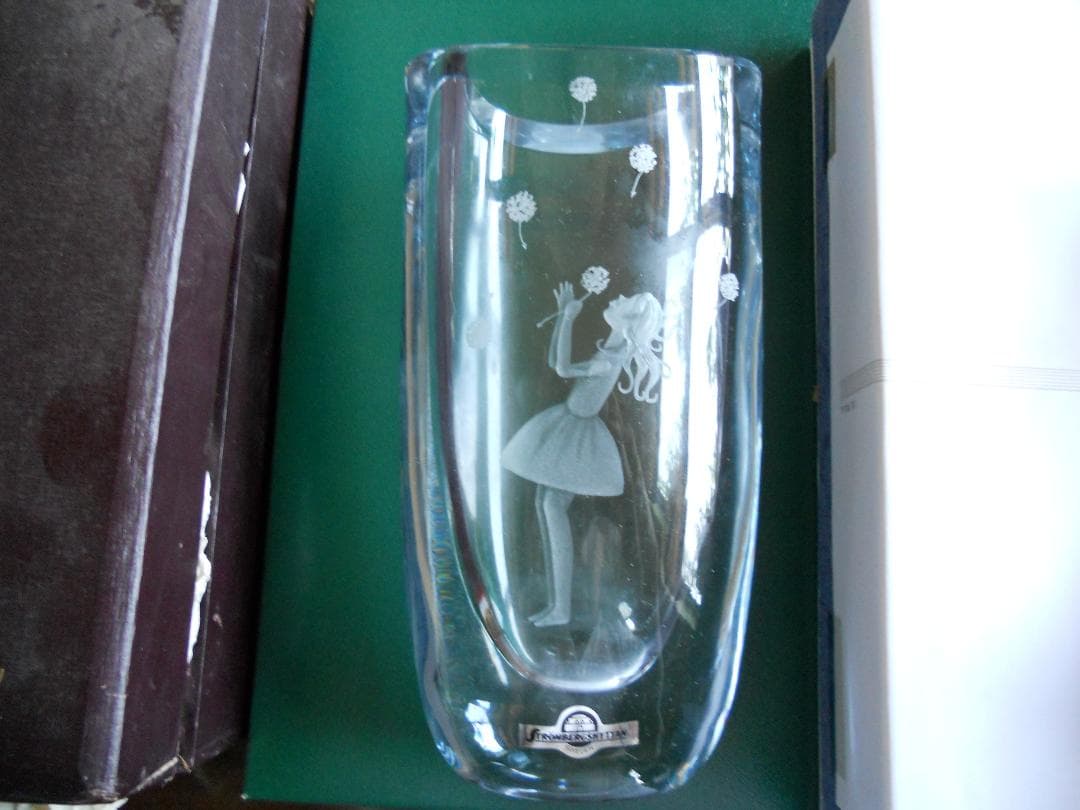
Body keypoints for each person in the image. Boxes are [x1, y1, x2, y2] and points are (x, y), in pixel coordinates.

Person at [502, 283, 664, 626]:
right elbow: (555, 364)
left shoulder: (611, 359)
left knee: (551, 505)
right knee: (546, 503)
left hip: (577, 435)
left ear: (629, 319)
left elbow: (562, 368)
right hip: (567, 424)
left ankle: (561, 608)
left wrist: (568, 316)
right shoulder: (611, 350)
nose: (617, 297)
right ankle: (557, 606)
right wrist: (565, 317)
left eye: (625, 300)